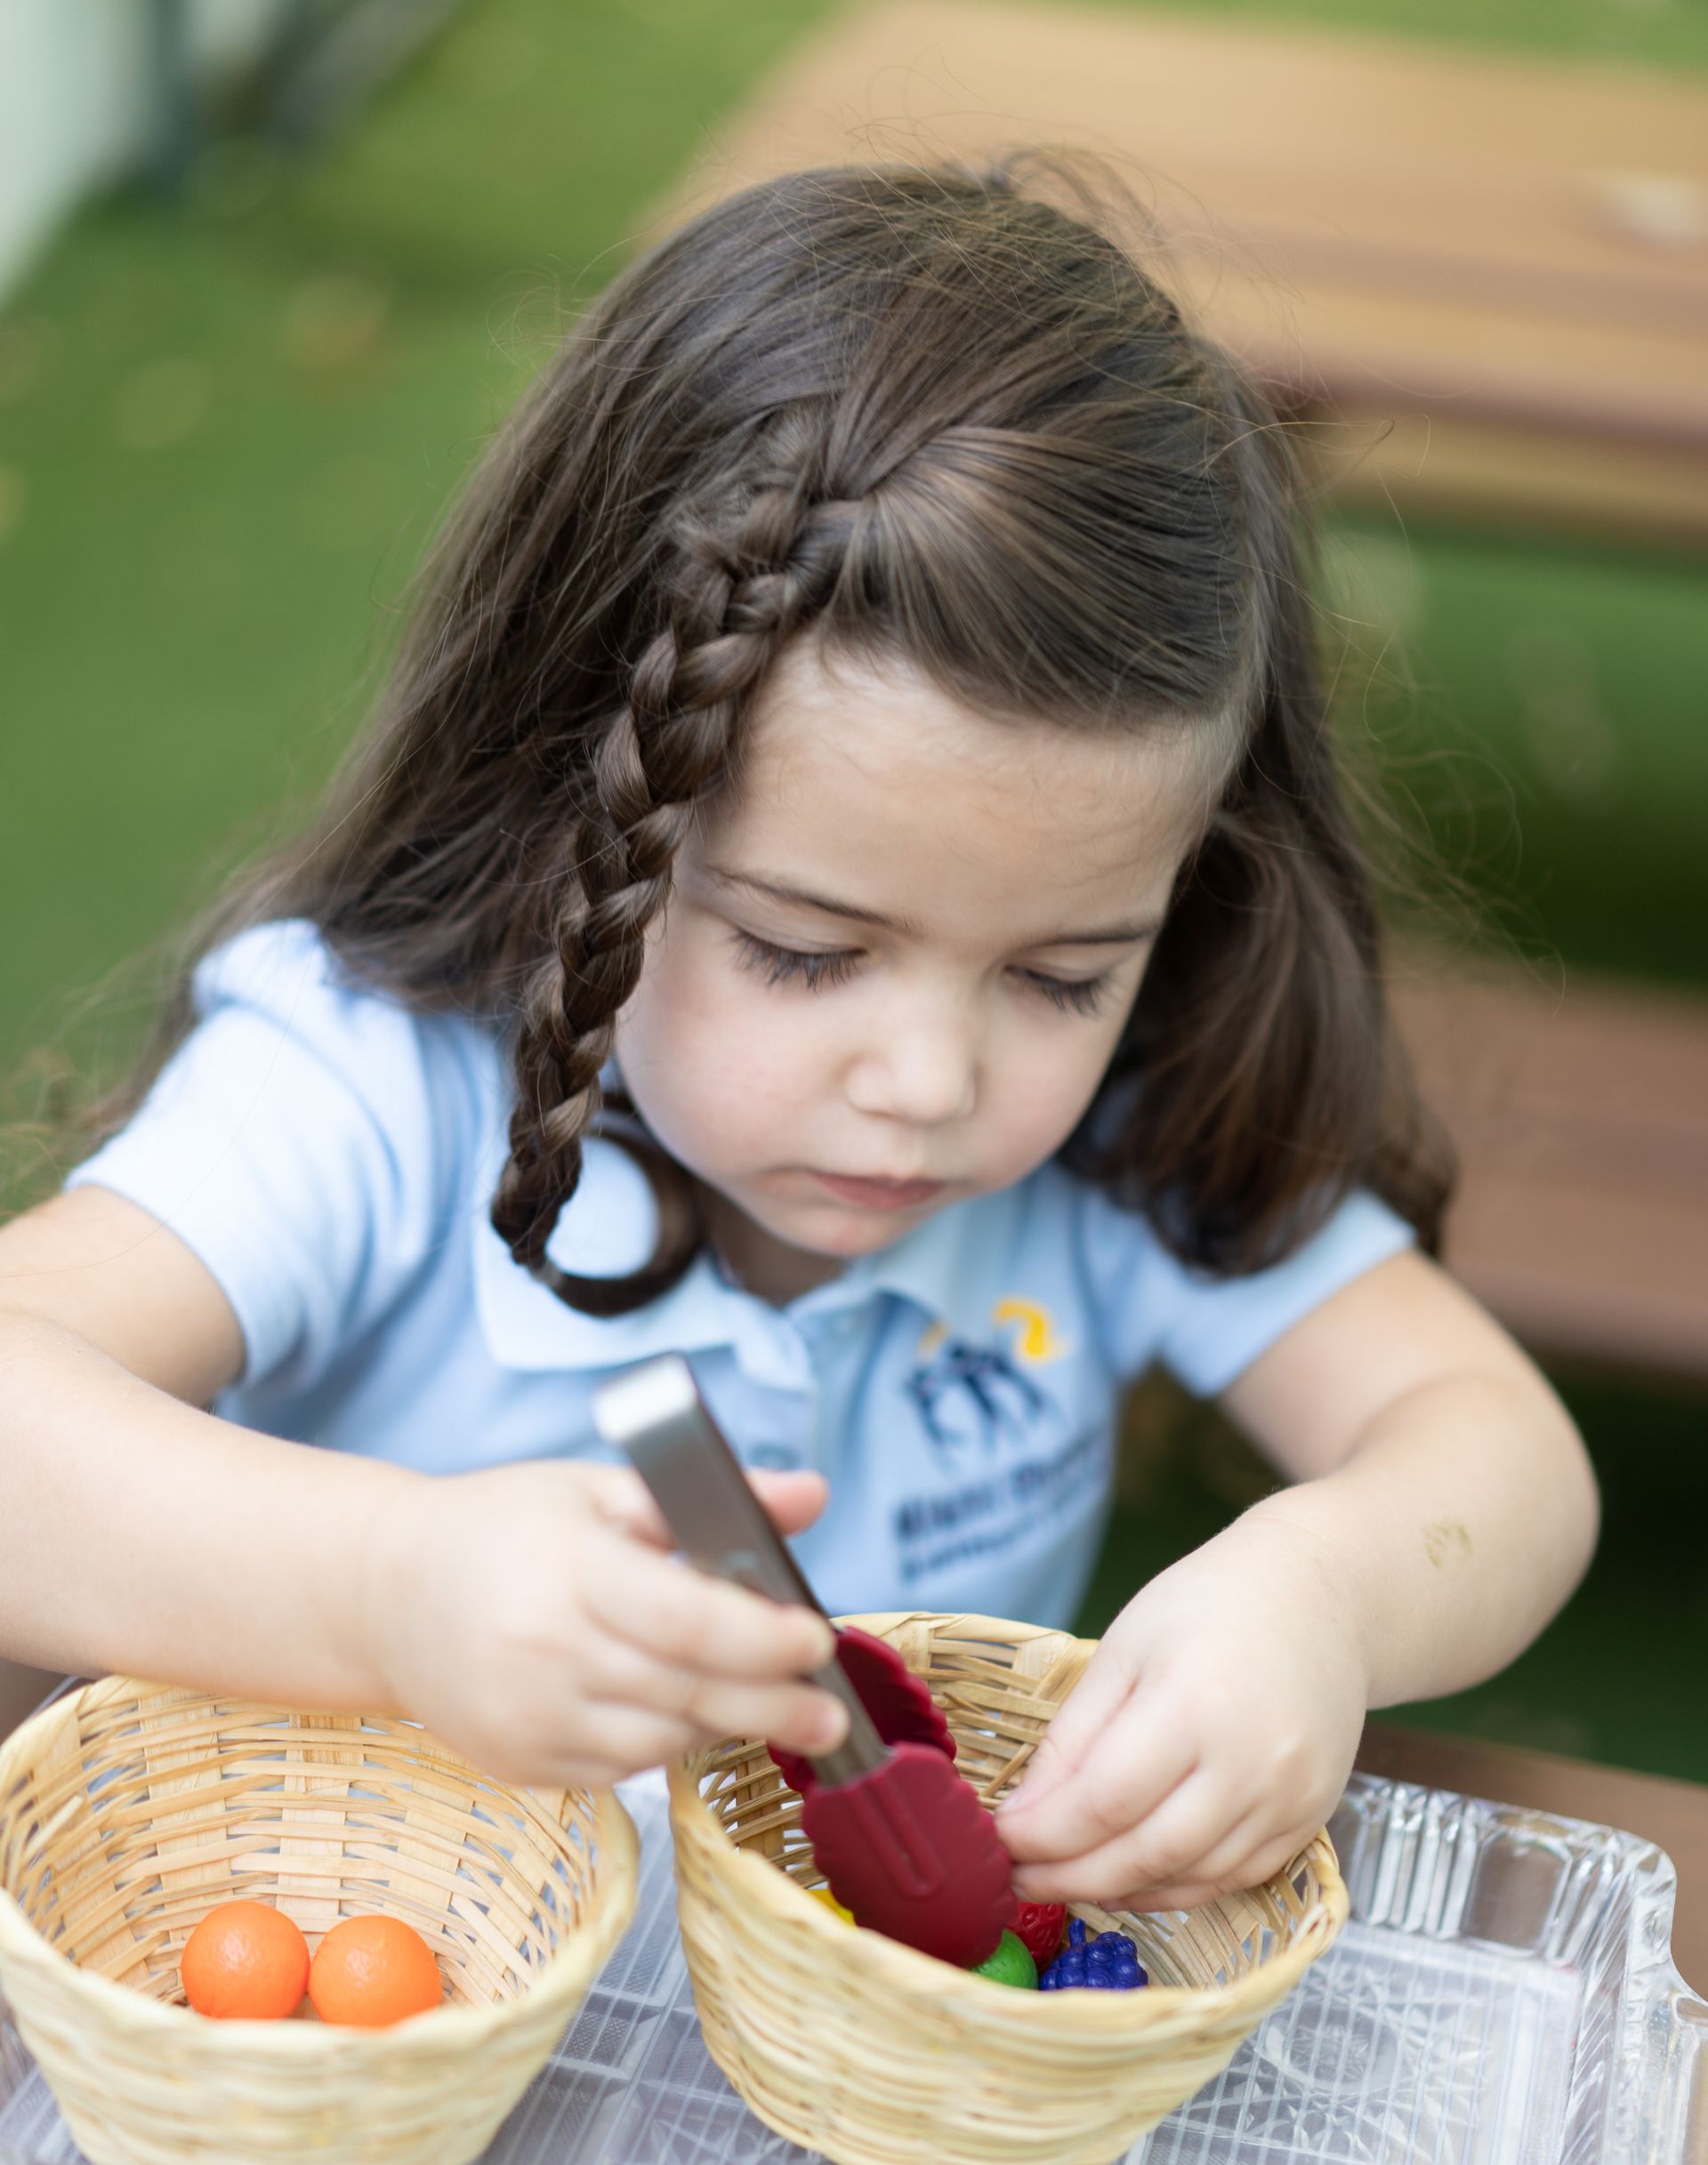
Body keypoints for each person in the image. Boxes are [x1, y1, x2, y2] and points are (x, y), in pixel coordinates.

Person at [0, 161, 1596, 1916]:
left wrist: (1330, 1593)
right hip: (384, 2060)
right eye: (807, 952)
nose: (932, 1087)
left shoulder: (1122, 1139)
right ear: (574, 823)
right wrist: (394, 1585)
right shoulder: (368, 1087)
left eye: (1063, 974)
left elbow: (1498, 1452)